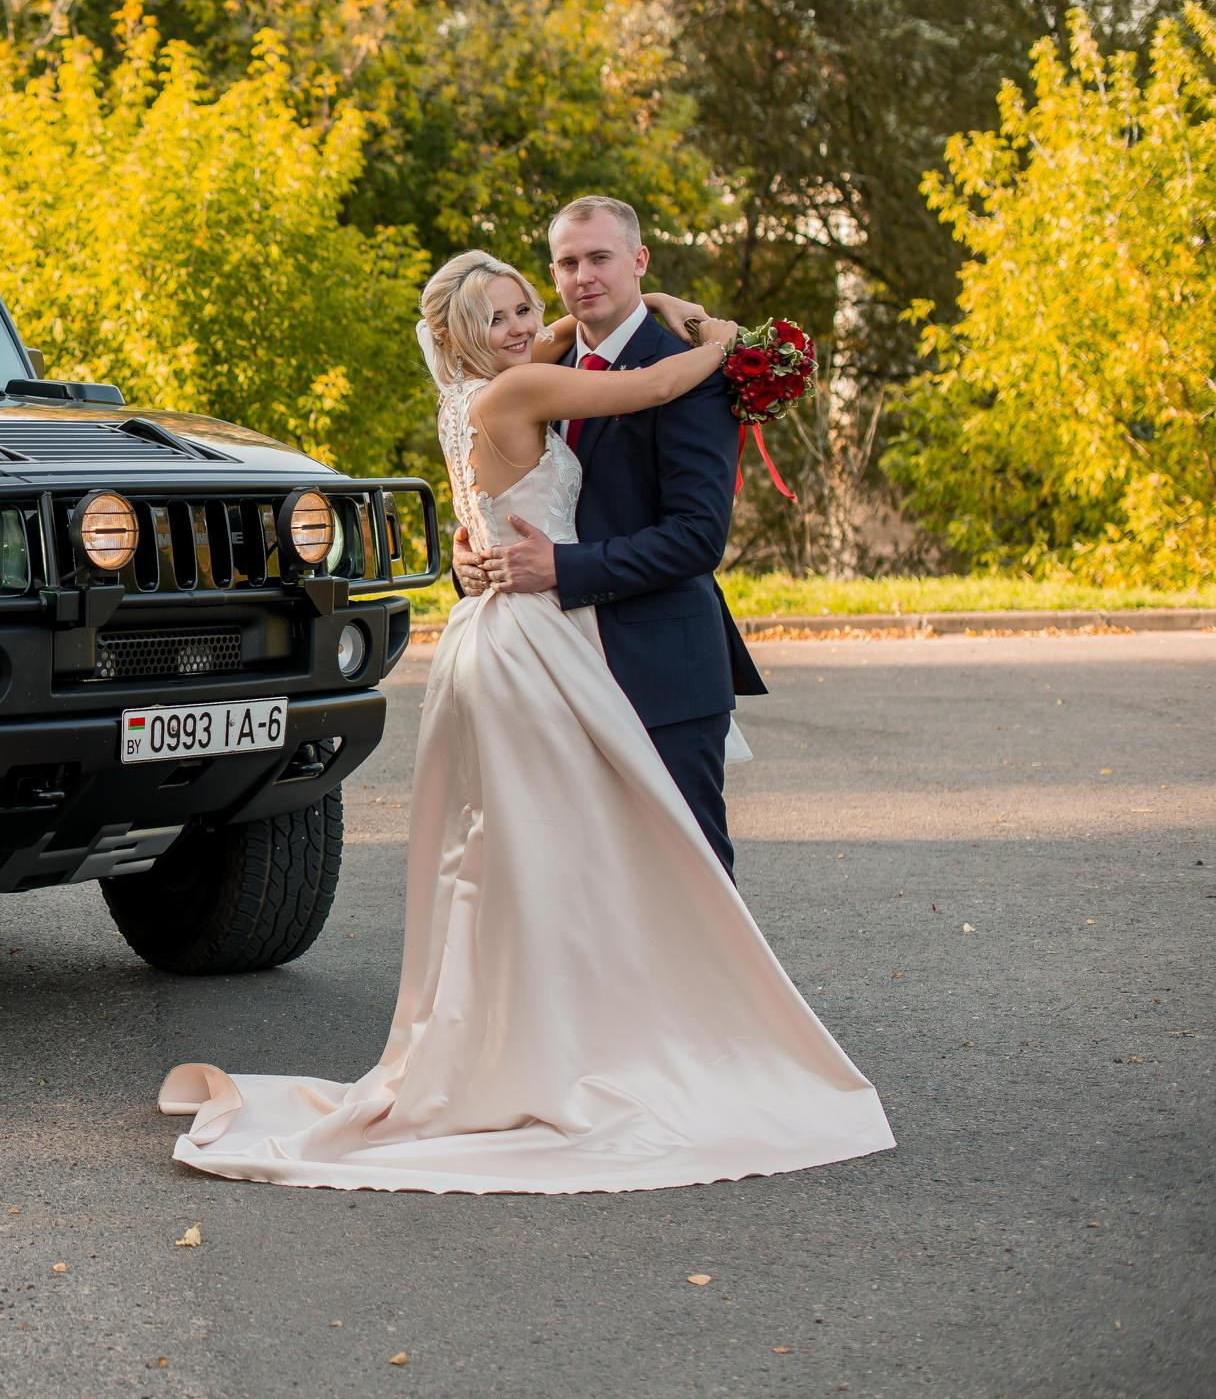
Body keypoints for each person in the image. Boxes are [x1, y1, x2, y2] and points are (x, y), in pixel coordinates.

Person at [154, 248, 892, 1193]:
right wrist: (727, 340)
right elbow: (656, 380)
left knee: (507, 859)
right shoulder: (523, 391)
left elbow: (556, 345)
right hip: (533, 640)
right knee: (568, 847)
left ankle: (536, 1037)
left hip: (486, 636)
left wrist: (650, 299)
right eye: (500, 315)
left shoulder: (470, 396)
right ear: (466, 333)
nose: (522, 325)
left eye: (525, 308)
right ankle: (579, 1047)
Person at [453, 195, 764, 877]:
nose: (584, 275)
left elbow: (696, 537)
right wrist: (473, 554)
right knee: (587, 888)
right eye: (568, 262)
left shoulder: (689, 369)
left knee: (689, 881)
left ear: (638, 261)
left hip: (661, 672)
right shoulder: (536, 367)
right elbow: (502, 496)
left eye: (600, 257)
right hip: (553, 674)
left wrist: (560, 568)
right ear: (554, 276)